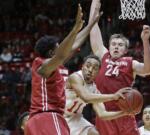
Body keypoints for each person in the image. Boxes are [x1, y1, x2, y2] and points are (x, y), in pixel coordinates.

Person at [25, 4, 101, 135]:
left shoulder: (56, 65)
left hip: (44, 120)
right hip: (47, 116)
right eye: (58, 47)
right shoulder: (41, 64)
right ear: (51, 52)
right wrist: (75, 28)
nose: (63, 48)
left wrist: (91, 25)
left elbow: (74, 44)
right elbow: (61, 54)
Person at [88, 0, 150, 135]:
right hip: (105, 113)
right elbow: (93, 31)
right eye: (113, 44)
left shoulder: (130, 62)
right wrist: (94, 7)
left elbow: (148, 69)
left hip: (125, 112)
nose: (116, 46)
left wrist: (145, 41)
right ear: (109, 47)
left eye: (120, 44)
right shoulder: (103, 56)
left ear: (125, 50)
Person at [65, 55, 133, 135]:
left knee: (94, 133)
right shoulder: (75, 77)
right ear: (82, 66)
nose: (90, 70)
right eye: (88, 66)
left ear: (98, 72)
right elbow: (86, 97)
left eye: (95, 68)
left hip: (75, 118)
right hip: (60, 115)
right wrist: (113, 96)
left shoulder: (94, 89)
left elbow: (102, 114)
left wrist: (124, 113)